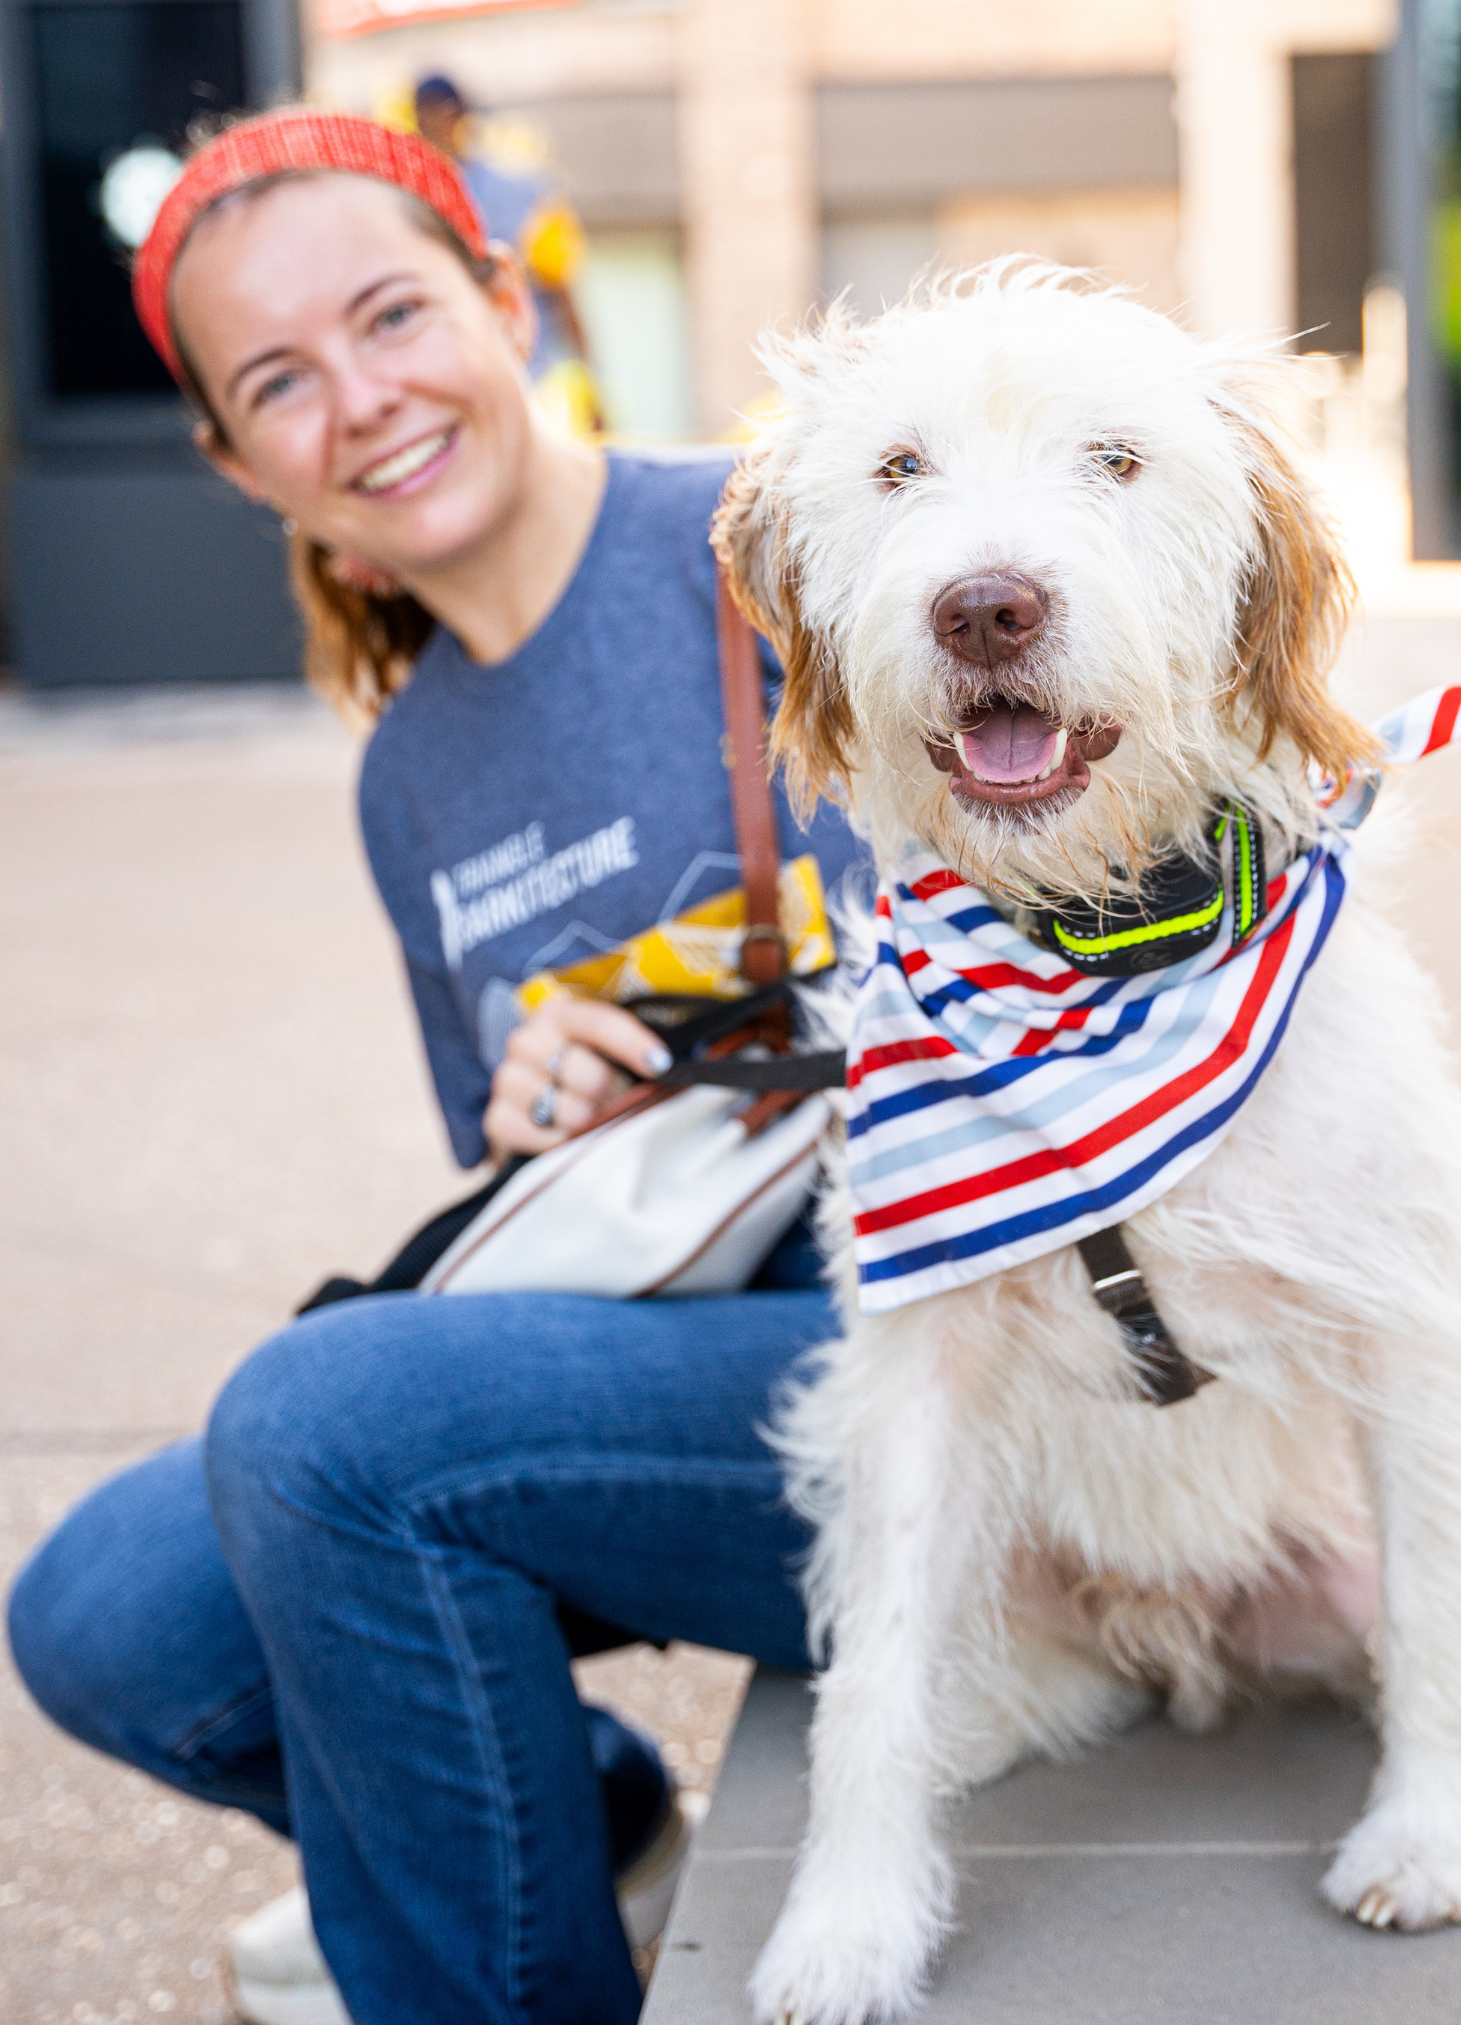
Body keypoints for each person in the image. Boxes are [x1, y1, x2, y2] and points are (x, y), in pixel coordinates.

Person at [5, 108, 858, 2025]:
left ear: (504, 297)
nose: (362, 403)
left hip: (943, 1344)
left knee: (323, 1419)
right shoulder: (414, 778)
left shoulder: (773, 546)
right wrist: (542, 1100)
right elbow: (535, 1234)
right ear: (237, 464)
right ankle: (580, 1819)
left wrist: (746, 1008)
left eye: (393, 315)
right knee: (105, 1616)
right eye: (281, 383)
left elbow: (1047, 976)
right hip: (692, 1362)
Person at [412, 74, 604, 439]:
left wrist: (589, 384)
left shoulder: (526, 196)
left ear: (458, 118)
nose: (431, 127)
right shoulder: (410, 200)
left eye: (437, 115)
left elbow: (561, 293)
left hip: (530, 383)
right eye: (424, 117)